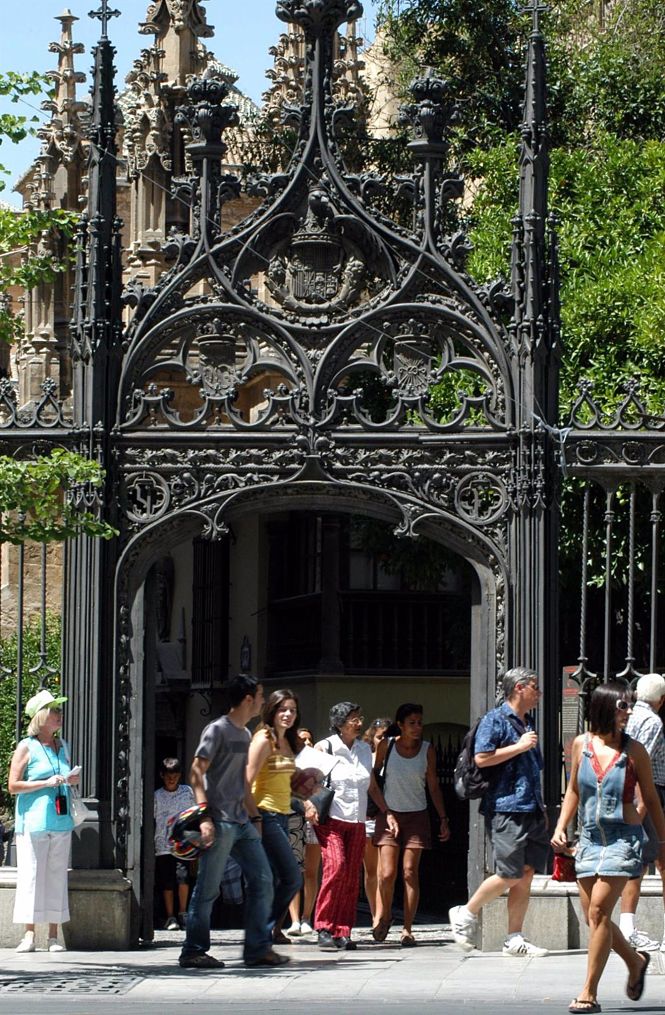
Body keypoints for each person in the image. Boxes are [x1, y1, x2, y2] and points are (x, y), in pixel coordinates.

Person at [551, 682, 665, 1013]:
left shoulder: (635, 751)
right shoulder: (580, 745)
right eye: (623, 707)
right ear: (605, 708)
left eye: (630, 706)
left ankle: (588, 992)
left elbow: (652, 797)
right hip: (588, 840)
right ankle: (635, 960)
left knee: (599, 911)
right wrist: (561, 826)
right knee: (594, 916)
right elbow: (573, 789)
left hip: (623, 839)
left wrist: (661, 841)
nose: (629, 712)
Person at [178, 674, 288, 969]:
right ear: (249, 699)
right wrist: (204, 816)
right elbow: (196, 772)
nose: (263, 701)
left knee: (263, 880)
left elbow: (241, 781)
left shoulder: (244, 734)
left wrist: (253, 816)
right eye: (261, 696)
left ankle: (257, 949)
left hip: (241, 822)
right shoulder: (217, 730)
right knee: (208, 889)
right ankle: (193, 950)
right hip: (219, 822)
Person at [448, 666, 549, 957]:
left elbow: (532, 770)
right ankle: (466, 912)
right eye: (534, 686)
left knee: (526, 873)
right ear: (519, 688)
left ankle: (514, 938)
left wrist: (540, 807)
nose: (538, 693)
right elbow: (481, 759)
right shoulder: (496, 720)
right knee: (510, 872)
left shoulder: (525, 723)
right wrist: (518, 747)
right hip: (506, 807)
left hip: (529, 807)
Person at [370, 704, 450, 946]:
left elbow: (433, 785)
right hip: (389, 814)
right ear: (401, 725)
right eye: (412, 723)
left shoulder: (427, 750)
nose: (417, 727)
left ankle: (407, 928)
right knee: (386, 873)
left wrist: (443, 818)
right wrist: (382, 808)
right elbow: (374, 775)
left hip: (417, 815)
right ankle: (385, 914)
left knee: (409, 872)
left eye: (420, 723)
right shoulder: (388, 745)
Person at [8, 689, 79, 953]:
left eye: (58, 710)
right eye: (54, 711)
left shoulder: (64, 745)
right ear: (41, 716)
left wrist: (70, 779)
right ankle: (28, 934)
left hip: (60, 819)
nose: (59, 715)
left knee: (56, 876)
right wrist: (45, 783)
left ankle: (52, 936)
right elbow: (13, 786)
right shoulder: (26, 746)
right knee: (32, 876)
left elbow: (63, 775)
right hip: (34, 821)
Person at [246, 689, 306, 945]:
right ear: (271, 711)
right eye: (283, 709)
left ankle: (271, 930)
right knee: (292, 877)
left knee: (274, 877)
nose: (288, 714)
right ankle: (262, 929)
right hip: (265, 814)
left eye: (292, 710)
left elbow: (284, 782)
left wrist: (307, 794)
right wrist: (255, 819)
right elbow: (246, 780)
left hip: (284, 813)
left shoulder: (289, 741)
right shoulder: (263, 738)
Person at [313, 701, 373, 950]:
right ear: (340, 722)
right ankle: (324, 925)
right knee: (335, 868)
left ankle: (343, 929)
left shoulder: (365, 749)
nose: (359, 723)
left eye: (360, 718)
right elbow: (305, 781)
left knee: (350, 876)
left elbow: (370, 785)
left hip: (357, 819)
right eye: (353, 718)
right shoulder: (325, 747)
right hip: (332, 818)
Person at [618, 672, 665, 951]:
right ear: (661, 699)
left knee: (639, 860)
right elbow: (640, 763)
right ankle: (627, 927)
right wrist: (641, 806)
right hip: (650, 792)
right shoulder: (652, 720)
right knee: (657, 860)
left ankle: (627, 926)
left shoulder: (632, 716)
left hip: (636, 792)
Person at [154, 757, 195, 930]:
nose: (172, 779)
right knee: (167, 881)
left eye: (175, 775)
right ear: (162, 776)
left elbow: (195, 813)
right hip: (163, 845)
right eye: (169, 775)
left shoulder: (187, 792)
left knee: (183, 878)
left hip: (183, 844)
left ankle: (183, 913)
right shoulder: (157, 796)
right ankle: (170, 916)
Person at [287, 726, 321, 937]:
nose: (307, 743)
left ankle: (307, 917)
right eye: (302, 740)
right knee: (294, 870)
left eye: (310, 740)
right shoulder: (289, 762)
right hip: (294, 818)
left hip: (314, 820)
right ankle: (294, 920)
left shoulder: (320, 762)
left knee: (311, 871)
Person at [362, 718, 391, 923]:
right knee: (371, 871)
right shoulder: (367, 759)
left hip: (386, 819)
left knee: (384, 872)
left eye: (388, 737)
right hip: (367, 817)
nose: (384, 741)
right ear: (372, 738)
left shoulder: (396, 759)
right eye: (381, 737)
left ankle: (382, 915)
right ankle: (374, 914)